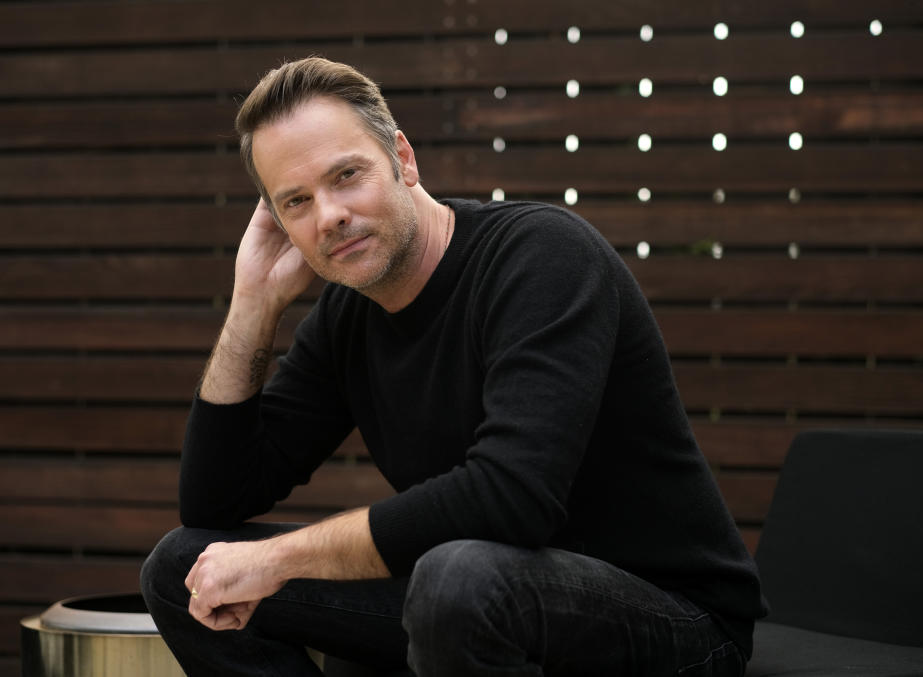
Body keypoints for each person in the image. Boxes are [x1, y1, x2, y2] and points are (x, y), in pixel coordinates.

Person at [141, 56, 766, 677]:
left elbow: (511, 499)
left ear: (403, 159)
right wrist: (254, 303)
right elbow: (213, 501)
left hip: (674, 619)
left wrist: (281, 559)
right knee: (183, 568)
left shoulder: (541, 257)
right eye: (296, 202)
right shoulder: (347, 316)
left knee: (457, 577)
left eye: (347, 175)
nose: (328, 215)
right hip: (481, 596)